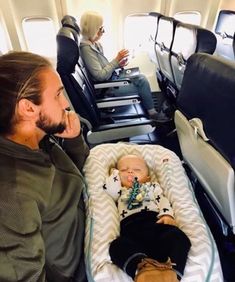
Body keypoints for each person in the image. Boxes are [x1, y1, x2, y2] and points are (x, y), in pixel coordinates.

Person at [0, 51, 89, 282]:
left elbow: (74, 175)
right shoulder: (13, 194)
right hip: (80, 270)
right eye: (58, 95)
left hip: (89, 222)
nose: (66, 104)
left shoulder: (40, 139)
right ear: (28, 108)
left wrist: (73, 140)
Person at [106, 154, 191, 282]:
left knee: (178, 236)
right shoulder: (121, 191)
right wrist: (115, 173)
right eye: (124, 170)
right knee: (117, 246)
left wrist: (166, 214)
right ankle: (143, 268)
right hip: (131, 232)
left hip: (154, 224)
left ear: (147, 177)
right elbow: (110, 189)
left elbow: (162, 200)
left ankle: (173, 273)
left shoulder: (151, 187)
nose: (130, 171)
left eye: (137, 170)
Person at [79, 10, 170, 122]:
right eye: (100, 29)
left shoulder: (95, 44)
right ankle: (153, 114)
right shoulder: (86, 49)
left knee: (140, 77)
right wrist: (116, 60)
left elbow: (103, 67)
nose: (103, 32)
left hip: (111, 80)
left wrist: (118, 65)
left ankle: (152, 111)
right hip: (106, 89)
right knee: (142, 83)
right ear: (93, 29)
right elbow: (100, 76)